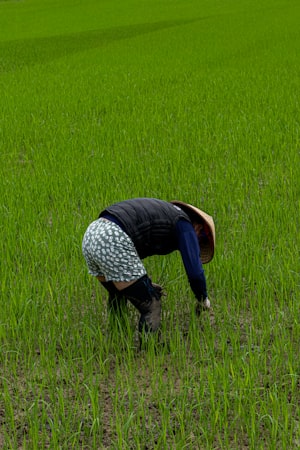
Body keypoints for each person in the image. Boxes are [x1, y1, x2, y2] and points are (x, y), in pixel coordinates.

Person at [82, 198, 215, 334]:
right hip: (112, 238)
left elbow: (128, 263)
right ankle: (149, 347)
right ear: (198, 225)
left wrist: (146, 283)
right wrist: (202, 298)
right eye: (203, 237)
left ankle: (117, 336)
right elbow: (195, 273)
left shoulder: (165, 215)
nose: (198, 242)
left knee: (118, 292)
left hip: (92, 234)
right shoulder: (185, 225)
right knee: (152, 303)